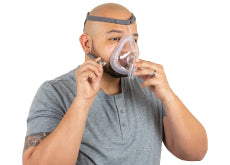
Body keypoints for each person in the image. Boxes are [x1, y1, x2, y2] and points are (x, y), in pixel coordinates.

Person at [22, 3, 208, 165]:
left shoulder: (149, 87)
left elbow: (196, 152)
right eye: (115, 39)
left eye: (133, 39)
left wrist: (168, 96)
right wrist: (82, 101)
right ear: (86, 44)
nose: (128, 50)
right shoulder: (55, 92)